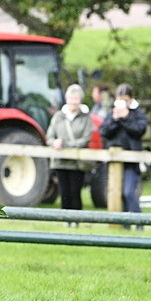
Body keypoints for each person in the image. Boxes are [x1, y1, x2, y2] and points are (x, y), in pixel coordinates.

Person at [99, 83, 148, 227]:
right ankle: (125, 225)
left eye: (125, 99)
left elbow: (139, 130)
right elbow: (104, 131)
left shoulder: (138, 114)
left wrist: (126, 118)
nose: (123, 102)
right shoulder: (112, 113)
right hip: (114, 161)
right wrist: (115, 119)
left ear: (131, 99)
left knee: (129, 192)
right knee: (117, 193)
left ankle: (140, 223)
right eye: (120, 99)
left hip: (131, 161)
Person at [46, 84, 94, 221]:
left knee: (75, 191)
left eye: (76, 99)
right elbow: (49, 136)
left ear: (80, 100)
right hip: (60, 161)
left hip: (77, 162)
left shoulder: (85, 118)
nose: (73, 102)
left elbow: (86, 139)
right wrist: (55, 143)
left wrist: (67, 144)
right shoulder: (58, 117)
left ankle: (76, 220)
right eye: (71, 98)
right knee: (64, 192)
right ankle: (66, 220)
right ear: (67, 99)